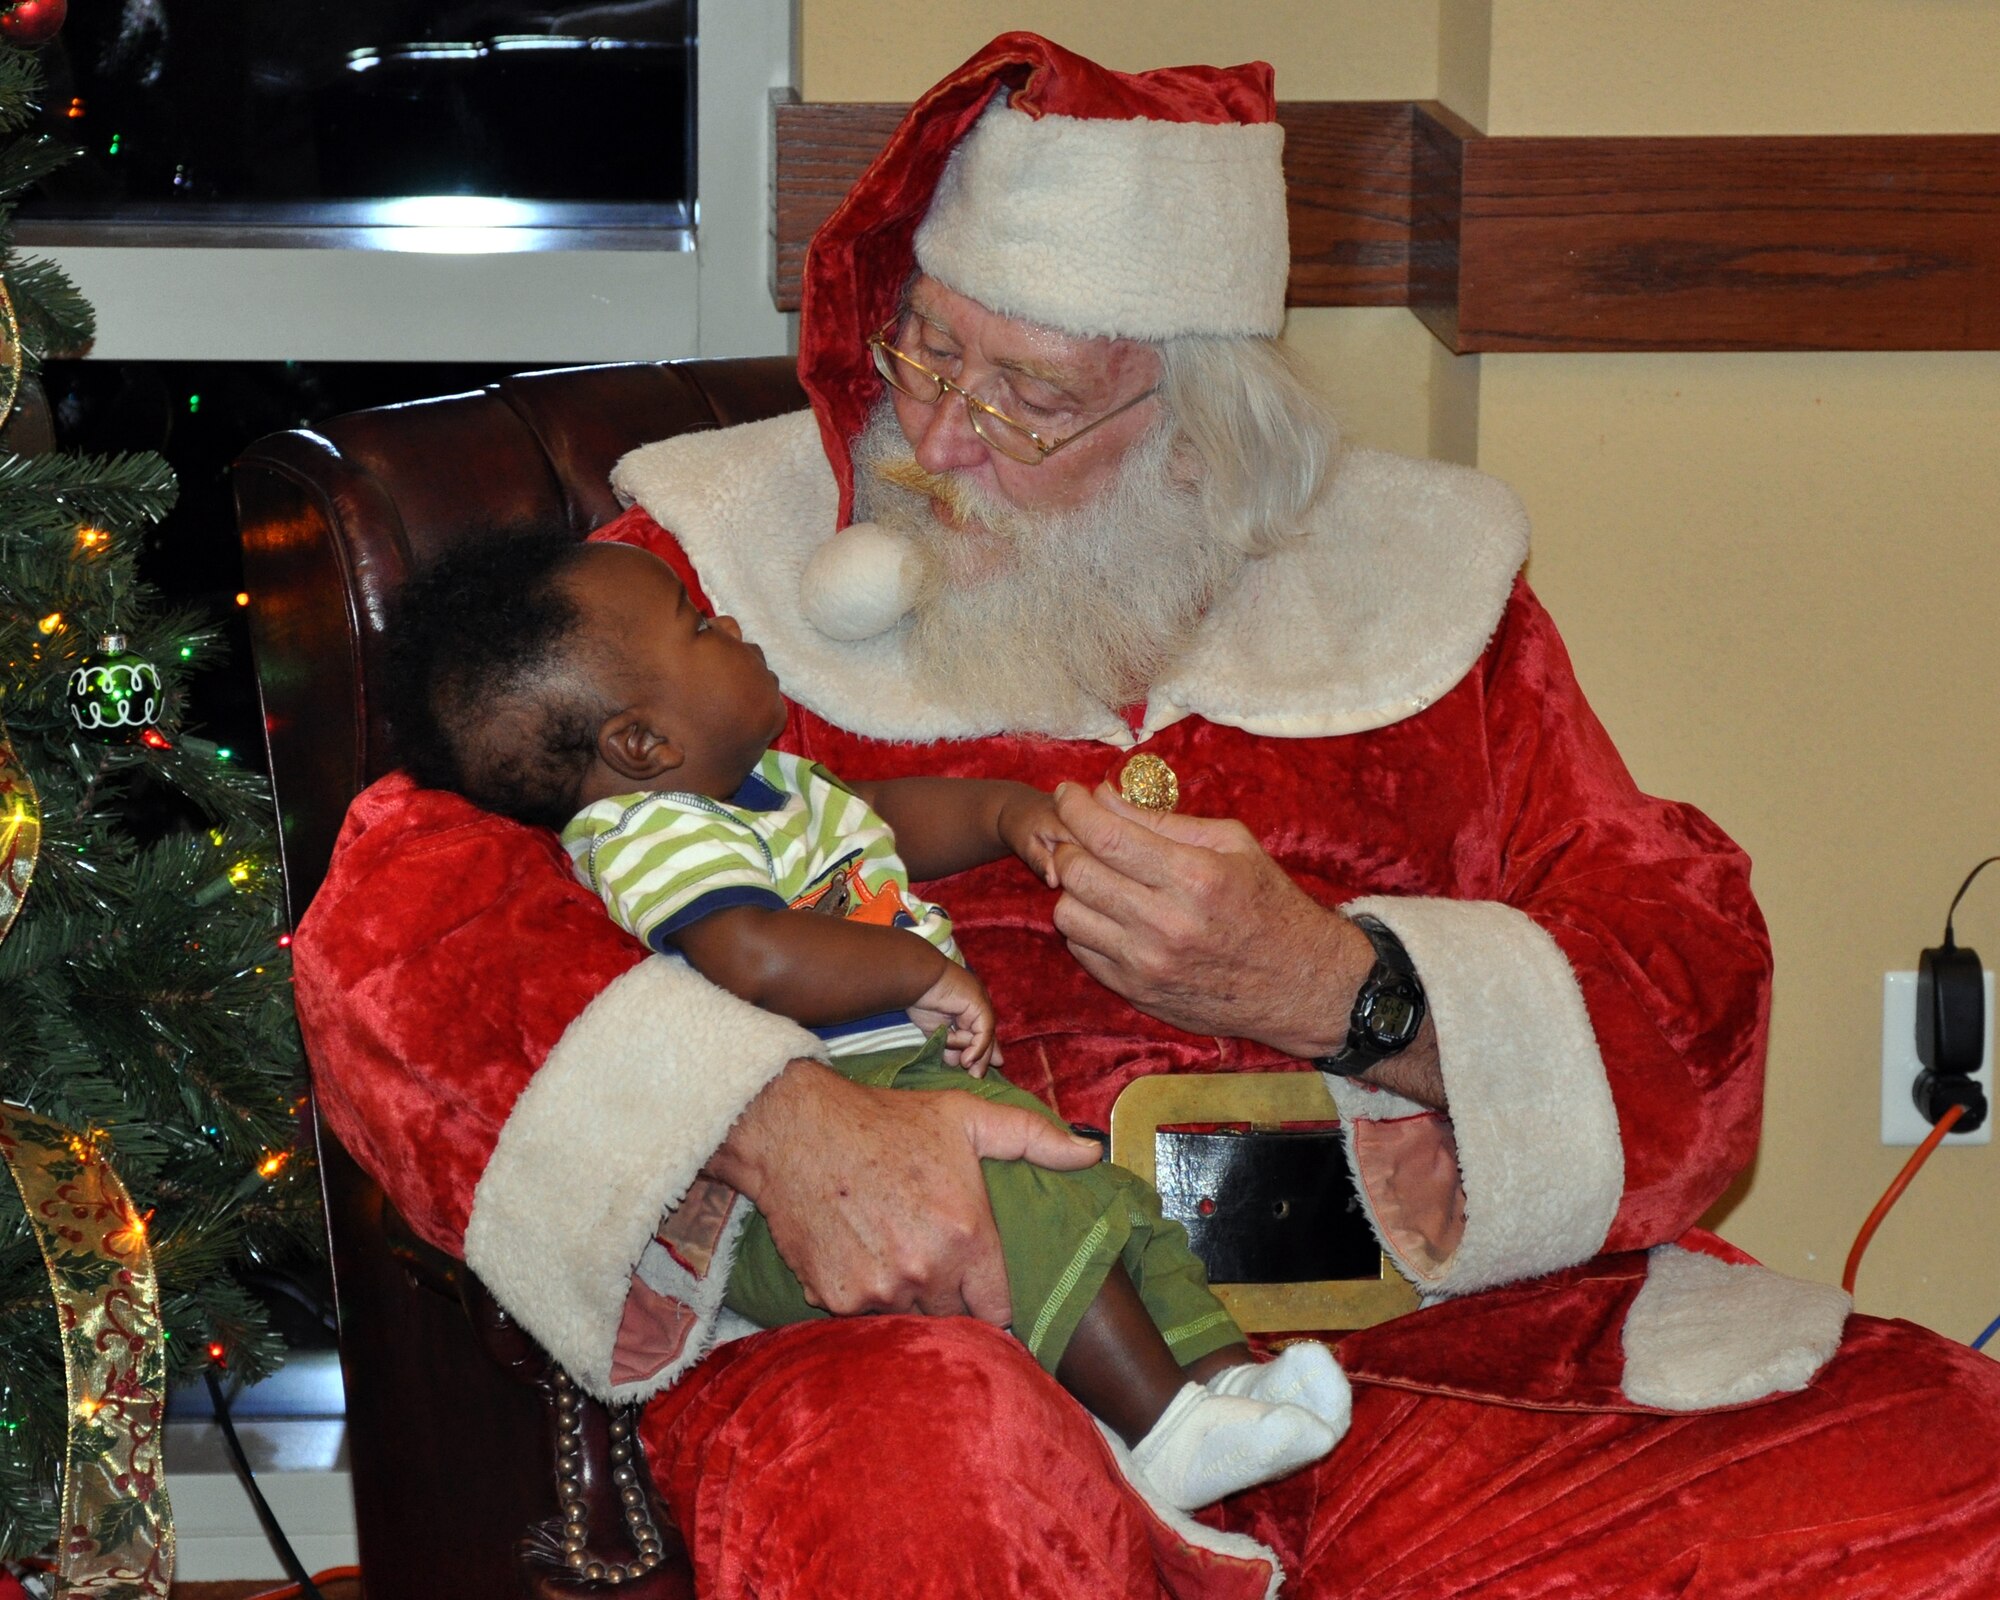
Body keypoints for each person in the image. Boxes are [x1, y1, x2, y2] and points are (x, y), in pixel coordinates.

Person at [294, 32, 2000, 1599]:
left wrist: (1358, 995)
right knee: (913, 1482)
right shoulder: (696, 603)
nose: (935, 437)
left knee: (1942, 1467)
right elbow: (393, 923)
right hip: (960, 1342)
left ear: (1199, 422)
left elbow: (1687, 982)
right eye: (924, 350)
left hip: (1437, 1350)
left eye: (1025, 396)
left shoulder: (1426, 601)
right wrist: (786, 1130)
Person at [384, 528, 1349, 1511]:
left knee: (1106, 1204)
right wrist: (915, 966)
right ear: (642, 743)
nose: (730, 625)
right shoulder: (650, 829)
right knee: (1036, 1204)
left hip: (911, 1085)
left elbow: (882, 814)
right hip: (835, 1133)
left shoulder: (763, 791)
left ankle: (1225, 1384)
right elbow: (749, 956)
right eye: (697, 625)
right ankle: (1164, 1428)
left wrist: (1005, 814)